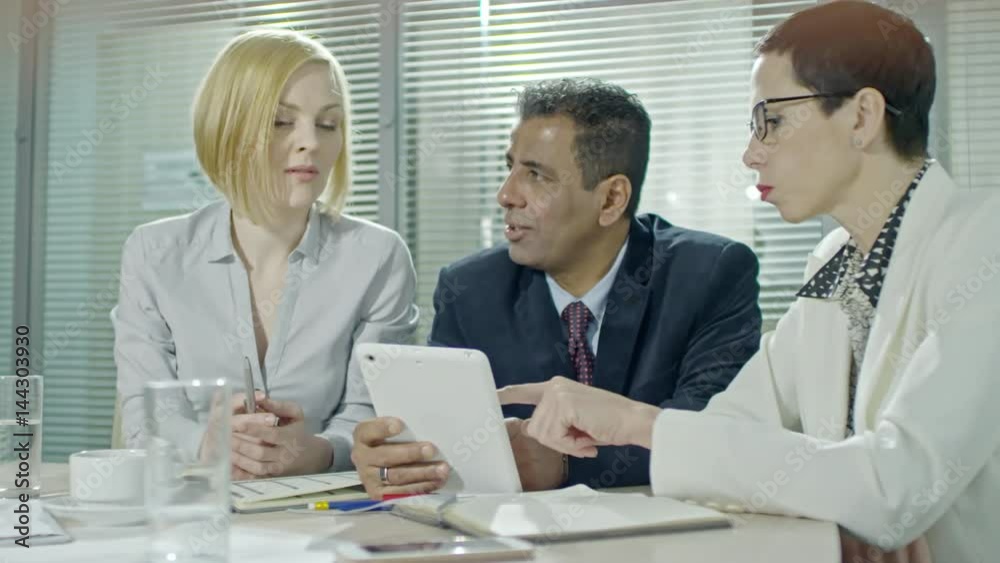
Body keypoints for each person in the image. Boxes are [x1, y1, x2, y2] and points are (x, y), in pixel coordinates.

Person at [497, 3, 1000, 562]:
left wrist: (638, 422)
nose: (751, 153)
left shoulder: (985, 243)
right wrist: (839, 510)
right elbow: (728, 432)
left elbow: (897, 487)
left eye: (772, 121)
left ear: (861, 117)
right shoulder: (835, 260)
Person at [351, 78, 763, 498]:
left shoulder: (708, 274)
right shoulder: (470, 289)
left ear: (611, 199)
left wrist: (564, 463)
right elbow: (444, 441)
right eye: (510, 168)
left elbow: (713, 434)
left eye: (536, 175)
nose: (506, 195)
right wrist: (398, 459)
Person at [112, 29, 418, 480]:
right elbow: (146, 414)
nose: (311, 142)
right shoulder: (155, 253)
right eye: (281, 121)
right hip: (192, 502)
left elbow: (371, 414)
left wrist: (317, 450)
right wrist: (207, 443)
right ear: (227, 131)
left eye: (328, 124)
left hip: (322, 509)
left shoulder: (378, 257)